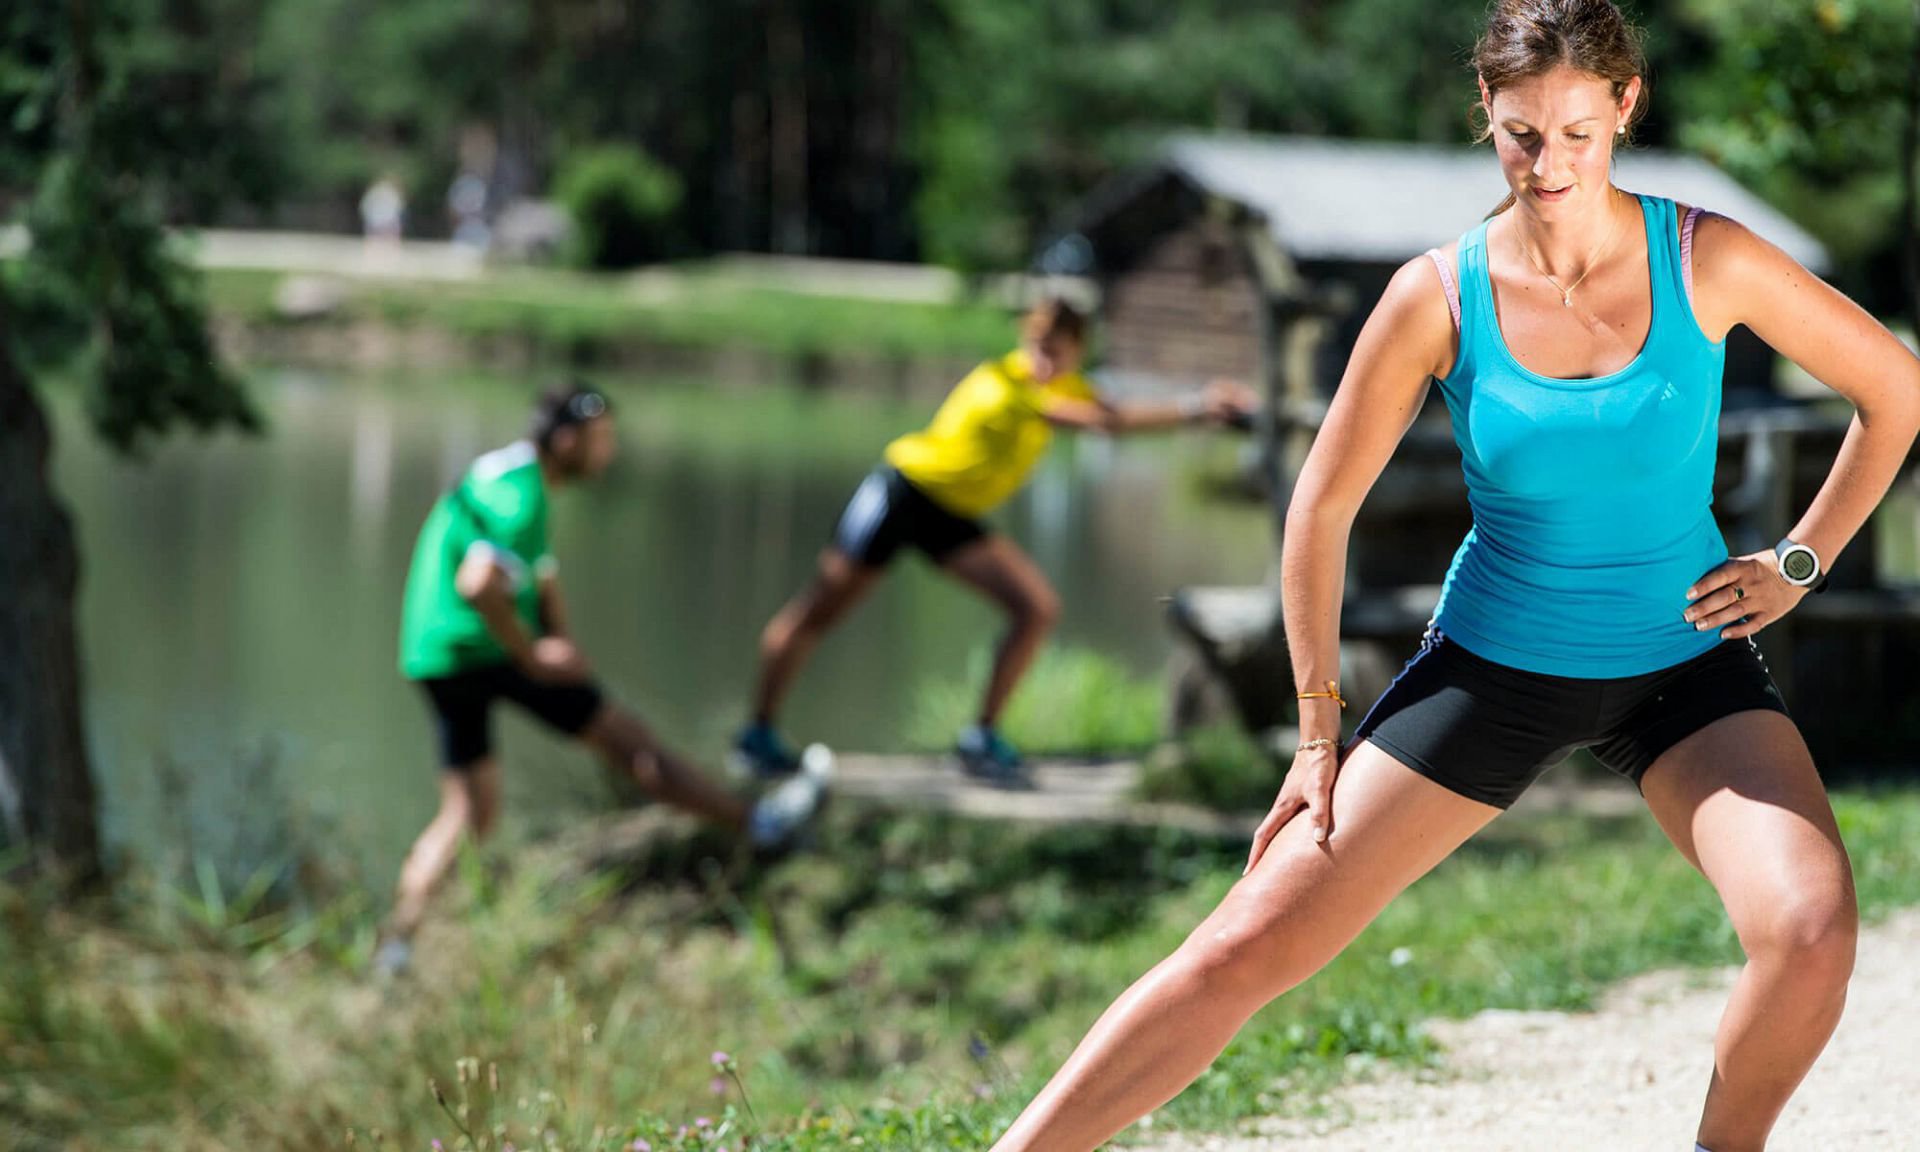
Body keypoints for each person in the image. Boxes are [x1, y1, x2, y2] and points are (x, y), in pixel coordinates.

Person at [986, 3, 1920, 1150]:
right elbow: (1320, 509)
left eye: (1579, 132)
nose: (1550, 164)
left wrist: (1798, 560)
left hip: (1686, 665)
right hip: (1491, 670)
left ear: (1626, 108)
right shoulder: (1437, 295)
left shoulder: (1705, 258)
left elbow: (1895, 389)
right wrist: (1317, 731)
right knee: (1246, 942)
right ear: (1486, 114)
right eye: (1523, 134)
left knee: (1812, 925)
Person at [376, 383, 831, 976]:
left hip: (434, 652)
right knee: (634, 748)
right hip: (490, 649)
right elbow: (479, 583)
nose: (608, 454)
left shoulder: (506, 475)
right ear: (566, 440)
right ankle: (766, 825)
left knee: (468, 813)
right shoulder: (520, 499)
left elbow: (537, 574)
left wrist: (556, 633)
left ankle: (397, 946)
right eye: (601, 440)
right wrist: (536, 656)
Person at [733, 298, 1255, 787]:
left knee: (1035, 609)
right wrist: (1196, 409)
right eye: (1038, 347)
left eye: (1057, 352)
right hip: (902, 495)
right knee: (817, 612)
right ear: (1026, 340)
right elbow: (1105, 423)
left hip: (950, 515)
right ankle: (756, 735)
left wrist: (1212, 404)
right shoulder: (1010, 385)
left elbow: (1110, 404)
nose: (1044, 360)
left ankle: (979, 738)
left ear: (1077, 352)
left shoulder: (1062, 385)